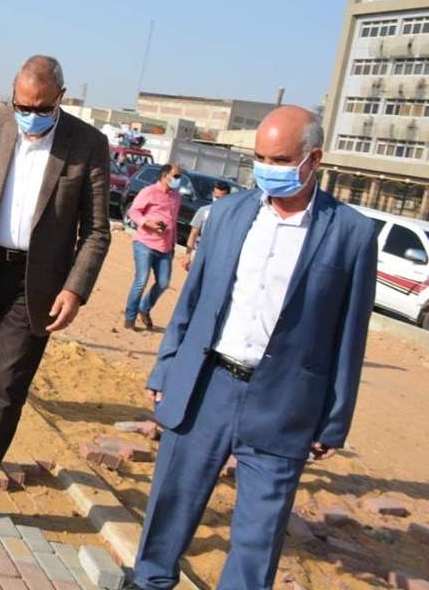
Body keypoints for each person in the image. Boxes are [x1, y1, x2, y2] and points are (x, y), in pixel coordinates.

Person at [133, 107, 376, 590]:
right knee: (171, 504)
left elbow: (351, 335)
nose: (267, 169)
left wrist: (334, 419)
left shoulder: (351, 234)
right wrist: (166, 367)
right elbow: (192, 301)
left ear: (313, 159)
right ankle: (148, 582)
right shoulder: (228, 215)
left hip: (284, 405)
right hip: (205, 387)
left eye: (280, 160)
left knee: (258, 538)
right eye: (260, 158)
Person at [0, 55, 110, 527]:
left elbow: (97, 231)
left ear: (60, 99)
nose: (30, 116)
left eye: (41, 108)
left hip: (36, 283)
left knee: (7, 384)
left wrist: (74, 290)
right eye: (22, 106)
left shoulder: (87, 144)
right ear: (12, 97)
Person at [123, 165, 183, 330]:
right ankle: (130, 317)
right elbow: (133, 211)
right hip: (145, 243)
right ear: (165, 175)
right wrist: (148, 223)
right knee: (141, 281)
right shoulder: (149, 191)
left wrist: (172, 244)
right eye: (176, 176)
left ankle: (144, 308)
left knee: (163, 283)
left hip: (165, 248)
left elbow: (173, 221)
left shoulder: (176, 197)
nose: (178, 180)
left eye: (180, 177)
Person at [183, 179, 231, 270]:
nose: (218, 200)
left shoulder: (232, 215)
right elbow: (193, 234)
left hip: (219, 258)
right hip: (199, 253)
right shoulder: (204, 211)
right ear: (212, 194)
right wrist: (188, 255)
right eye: (216, 197)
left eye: (222, 198)